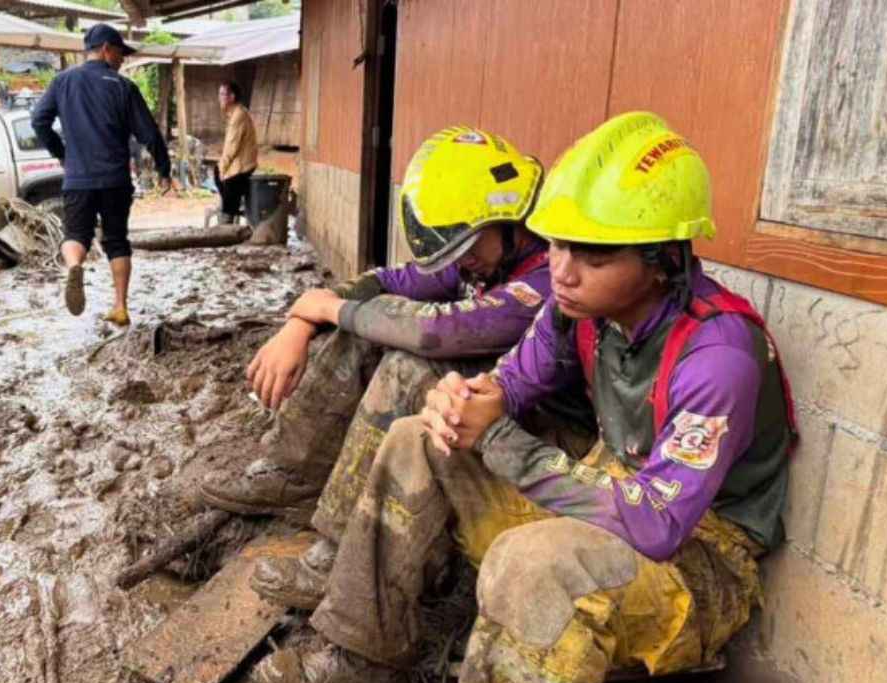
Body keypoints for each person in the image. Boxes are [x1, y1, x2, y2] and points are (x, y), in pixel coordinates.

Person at [250, 112, 797, 683]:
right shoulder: (582, 312)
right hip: (610, 493)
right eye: (559, 242)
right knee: (418, 437)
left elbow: (656, 524)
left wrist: (501, 441)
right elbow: (508, 384)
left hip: (698, 559)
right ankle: (363, 648)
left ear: (664, 255)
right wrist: (463, 403)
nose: (562, 268)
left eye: (592, 253)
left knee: (532, 564)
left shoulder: (719, 355)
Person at [200, 126, 593, 611]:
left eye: (468, 248)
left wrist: (329, 309)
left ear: (510, 219)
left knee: (406, 365)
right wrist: (303, 320)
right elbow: (388, 281)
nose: (463, 263)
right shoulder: (481, 254)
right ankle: (290, 473)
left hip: (546, 434)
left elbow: (438, 330)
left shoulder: (548, 277)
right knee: (366, 332)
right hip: (484, 406)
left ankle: (337, 556)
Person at [31, 23, 172, 327]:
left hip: (78, 178)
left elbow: (38, 121)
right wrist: (164, 169)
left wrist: (62, 155)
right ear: (107, 49)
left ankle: (73, 266)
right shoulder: (123, 87)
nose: (122, 60)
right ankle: (120, 306)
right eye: (120, 53)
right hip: (115, 180)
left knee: (75, 235)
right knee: (117, 241)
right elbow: (149, 133)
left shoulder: (62, 82)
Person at [214, 81, 258, 224]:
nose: (219, 98)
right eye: (219, 94)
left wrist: (223, 167)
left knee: (226, 178)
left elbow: (231, 147)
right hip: (241, 164)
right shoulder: (236, 113)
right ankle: (231, 209)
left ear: (232, 97)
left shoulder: (239, 115)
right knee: (218, 172)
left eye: (222, 94)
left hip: (244, 167)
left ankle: (228, 222)